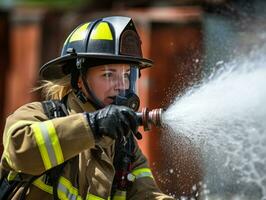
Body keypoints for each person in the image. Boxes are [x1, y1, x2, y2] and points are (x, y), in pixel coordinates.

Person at [0, 16, 174, 200]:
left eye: (127, 75)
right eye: (108, 74)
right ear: (80, 80)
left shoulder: (125, 147)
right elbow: (20, 151)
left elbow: (148, 196)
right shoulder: (39, 115)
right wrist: (93, 125)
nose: (121, 85)